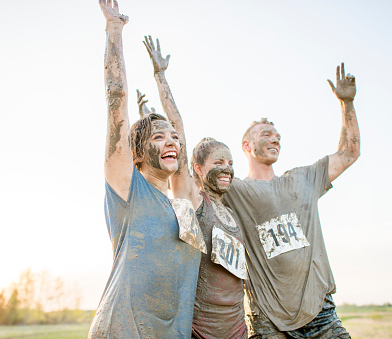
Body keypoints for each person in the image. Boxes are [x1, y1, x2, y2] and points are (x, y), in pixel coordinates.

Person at [88, 1, 202, 338]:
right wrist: (114, 30)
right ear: (137, 152)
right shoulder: (127, 187)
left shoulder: (183, 204)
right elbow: (115, 98)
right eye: (158, 137)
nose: (171, 142)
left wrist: (161, 77)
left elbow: (179, 125)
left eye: (174, 139)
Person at [223, 63, 360, 338]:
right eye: (266, 135)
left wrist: (347, 104)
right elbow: (187, 181)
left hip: (320, 313)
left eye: (278, 137)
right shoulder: (233, 189)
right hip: (268, 320)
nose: (275, 140)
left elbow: (349, 153)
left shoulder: (303, 178)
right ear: (246, 146)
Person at [141, 35, 248, 339]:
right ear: (198, 169)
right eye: (218, 162)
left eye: (229, 161)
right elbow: (179, 128)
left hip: (237, 328)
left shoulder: (231, 211)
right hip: (200, 329)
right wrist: (160, 76)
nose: (226, 167)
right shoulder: (193, 198)